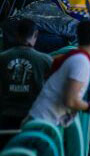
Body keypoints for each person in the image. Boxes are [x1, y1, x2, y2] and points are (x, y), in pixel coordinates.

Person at [28, 20, 90, 127]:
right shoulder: (81, 61)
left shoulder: (77, 57)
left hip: (42, 120)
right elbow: (70, 101)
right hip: (43, 123)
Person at [0, 19, 52, 147]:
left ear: (16, 34)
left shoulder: (2, 58)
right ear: (35, 35)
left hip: (5, 118)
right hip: (32, 118)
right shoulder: (45, 60)